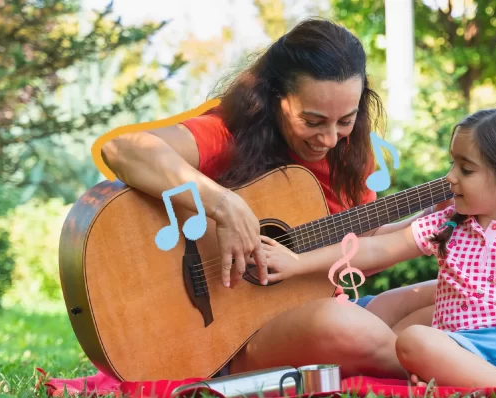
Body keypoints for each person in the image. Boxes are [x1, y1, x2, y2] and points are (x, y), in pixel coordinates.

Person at [100, 18, 442, 379]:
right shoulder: (229, 132)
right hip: (232, 338)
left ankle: (424, 355)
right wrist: (224, 207)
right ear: (276, 98)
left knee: (444, 293)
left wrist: (425, 225)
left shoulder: (351, 151)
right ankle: (431, 363)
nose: (328, 138)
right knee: (340, 323)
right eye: (312, 121)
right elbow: (122, 150)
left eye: (345, 120)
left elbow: (360, 248)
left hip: (316, 312)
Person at [253, 108, 496, 388]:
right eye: (452, 164)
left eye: (466, 169)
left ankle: (489, 384)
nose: (449, 178)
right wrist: (297, 262)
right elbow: (374, 251)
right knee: (413, 341)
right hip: (457, 348)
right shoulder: (444, 225)